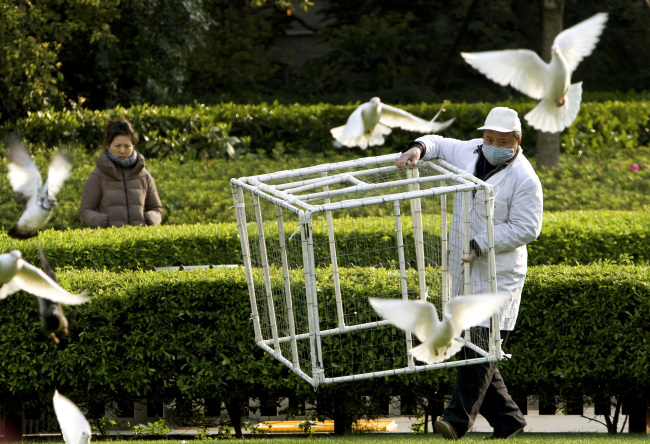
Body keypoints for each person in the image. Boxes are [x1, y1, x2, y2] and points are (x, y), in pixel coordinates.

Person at [396, 107, 543, 440]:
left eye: (501, 141)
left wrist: (482, 242)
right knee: (471, 346)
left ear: (517, 142)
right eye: (488, 138)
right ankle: (509, 420)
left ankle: (456, 421)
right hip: (464, 267)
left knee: (480, 347)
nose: (492, 145)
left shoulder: (525, 178)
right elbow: (436, 143)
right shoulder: (468, 151)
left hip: (499, 274)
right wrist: (416, 149)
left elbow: (528, 227)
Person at [79, 117, 162, 228]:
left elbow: (157, 208)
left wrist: (150, 219)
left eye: (127, 146)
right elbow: (85, 211)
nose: (122, 151)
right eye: (117, 146)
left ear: (133, 146)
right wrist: (104, 223)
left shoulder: (143, 174)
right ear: (108, 146)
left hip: (140, 239)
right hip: (110, 241)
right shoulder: (97, 175)